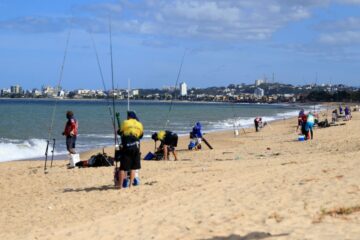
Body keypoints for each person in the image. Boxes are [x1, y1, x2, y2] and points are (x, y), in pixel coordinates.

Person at [117, 111, 143, 189]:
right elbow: (141, 135)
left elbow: (120, 132)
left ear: (128, 117)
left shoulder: (125, 122)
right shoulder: (140, 124)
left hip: (127, 145)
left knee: (122, 167)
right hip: (136, 146)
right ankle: (130, 185)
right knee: (133, 167)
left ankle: (120, 186)